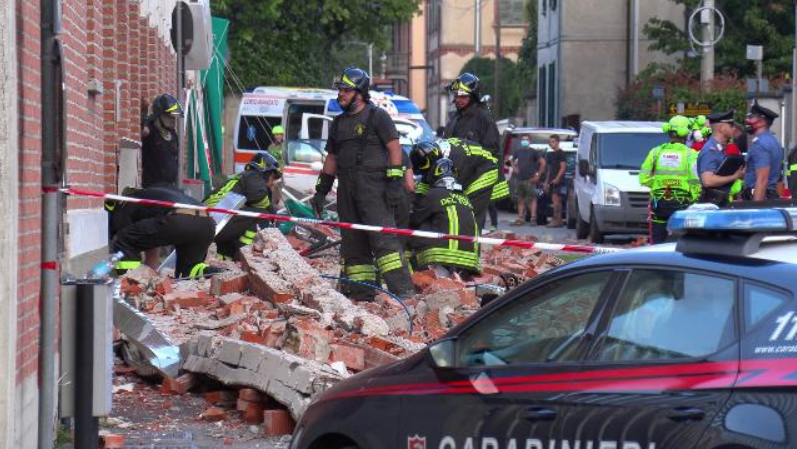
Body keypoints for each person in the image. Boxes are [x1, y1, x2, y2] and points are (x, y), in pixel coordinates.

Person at [310, 67, 414, 301]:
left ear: (360, 92)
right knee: (352, 241)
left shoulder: (378, 116)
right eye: (340, 90)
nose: (341, 95)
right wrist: (321, 190)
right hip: (346, 186)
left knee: (384, 239)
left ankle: (403, 292)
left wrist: (394, 183)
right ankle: (361, 292)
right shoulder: (337, 123)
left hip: (374, 187)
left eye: (346, 90)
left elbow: (394, 149)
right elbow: (332, 158)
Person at [442, 73, 509, 228]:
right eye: (457, 96)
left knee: (471, 224)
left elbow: (492, 151)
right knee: (456, 223)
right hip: (456, 180)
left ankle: (473, 252)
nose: (458, 100)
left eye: (463, 96)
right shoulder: (455, 120)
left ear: (473, 97)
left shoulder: (483, 118)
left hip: (477, 180)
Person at [106, 187, 218, 279]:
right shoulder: (154, 195)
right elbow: (151, 237)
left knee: (123, 240)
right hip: (208, 223)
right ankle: (220, 273)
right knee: (188, 271)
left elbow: (125, 241)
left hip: (181, 220)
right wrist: (151, 270)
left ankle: (131, 284)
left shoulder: (124, 206)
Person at [204, 153, 281, 260]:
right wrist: (271, 209)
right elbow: (258, 196)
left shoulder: (240, 178)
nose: (272, 183)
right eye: (273, 178)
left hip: (210, 223)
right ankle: (245, 255)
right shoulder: (253, 176)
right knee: (263, 215)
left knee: (245, 218)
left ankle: (225, 258)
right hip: (214, 223)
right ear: (265, 172)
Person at [410, 158, 479, 276]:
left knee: (419, 225)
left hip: (443, 257)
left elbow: (414, 220)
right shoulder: (464, 196)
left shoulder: (433, 194)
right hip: (470, 260)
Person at [639, 115, 701, 244]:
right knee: (682, 244)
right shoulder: (691, 154)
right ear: (686, 133)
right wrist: (694, 199)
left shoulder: (655, 152)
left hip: (659, 204)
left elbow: (643, 178)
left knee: (657, 244)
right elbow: (695, 181)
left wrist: (659, 184)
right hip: (682, 205)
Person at [411, 139, 498, 228]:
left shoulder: (454, 161)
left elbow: (447, 191)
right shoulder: (435, 153)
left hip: (485, 170)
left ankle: (470, 238)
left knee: (466, 207)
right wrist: (417, 199)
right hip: (471, 164)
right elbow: (426, 180)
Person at [696, 109, 745, 207]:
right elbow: (708, 181)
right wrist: (735, 176)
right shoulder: (711, 150)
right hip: (712, 205)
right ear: (721, 128)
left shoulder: (718, 149)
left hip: (718, 202)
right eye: (731, 125)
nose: (734, 128)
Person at [742, 101, 784, 201]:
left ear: (761, 122)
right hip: (769, 195)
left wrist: (756, 209)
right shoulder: (772, 141)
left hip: (760, 196)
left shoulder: (760, 144)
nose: (746, 120)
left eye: (751, 117)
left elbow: (762, 179)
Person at [142, 94, 183, 189]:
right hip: (153, 187)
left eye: (174, 117)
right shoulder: (151, 130)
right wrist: (144, 113)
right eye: (169, 117)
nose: (173, 120)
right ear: (159, 115)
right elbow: (142, 131)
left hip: (170, 186)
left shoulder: (173, 134)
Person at [510, 136, 545, 226]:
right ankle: (520, 218)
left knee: (532, 198)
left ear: (530, 141)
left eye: (526, 140)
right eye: (523, 139)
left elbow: (543, 162)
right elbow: (511, 160)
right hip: (520, 178)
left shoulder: (533, 152)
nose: (524, 141)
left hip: (530, 179)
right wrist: (514, 168)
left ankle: (533, 218)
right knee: (520, 198)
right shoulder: (518, 151)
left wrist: (538, 175)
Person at [543, 135, 567, 228]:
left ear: (557, 142)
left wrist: (557, 178)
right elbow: (549, 169)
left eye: (553, 141)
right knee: (555, 200)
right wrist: (546, 181)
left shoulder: (561, 153)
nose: (551, 143)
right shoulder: (550, 154)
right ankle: (559, 220)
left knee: (556, 199)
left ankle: (556, 219)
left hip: (558, 180)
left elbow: (563, 167)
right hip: (551, 180)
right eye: (550, 142)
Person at [267, 125, 286, 206]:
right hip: (273, 173)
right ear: (273, 136)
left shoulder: (286, 146)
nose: (278, 136)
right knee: (271, 193)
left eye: (280, 134)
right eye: (276, 134)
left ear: (282, 135)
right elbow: (268, 161)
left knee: (280, 194)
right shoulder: (271, 147)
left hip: (284, 173)